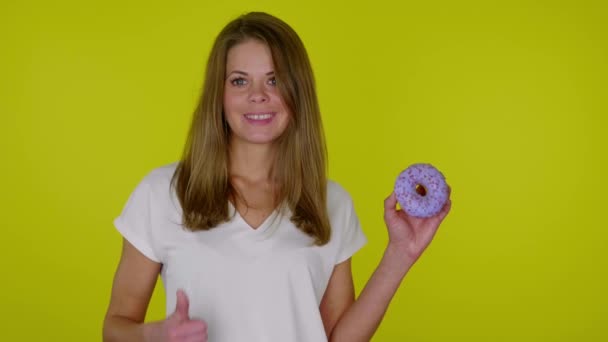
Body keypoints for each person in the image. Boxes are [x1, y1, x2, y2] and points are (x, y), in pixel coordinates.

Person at [103, 11, 451, 342]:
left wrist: (400, 255)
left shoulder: (330, 202)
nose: (258, 95)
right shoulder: (162, 192)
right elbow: (115, 329)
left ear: (297, 92)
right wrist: (154, 335)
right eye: (239, 81)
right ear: (219, 95)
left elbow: (339, 338)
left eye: (275, 79)